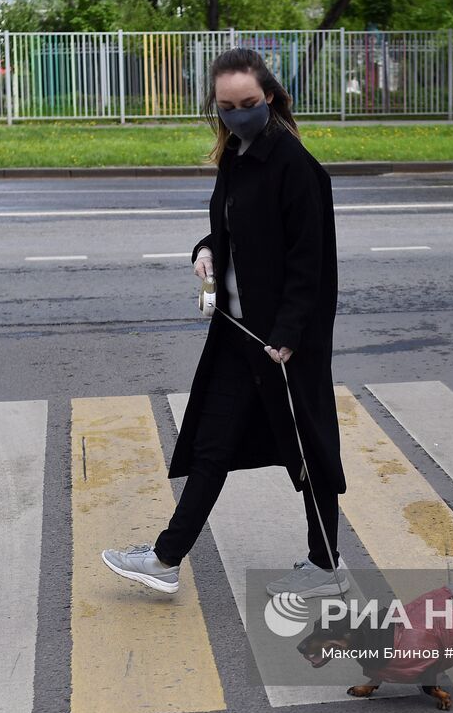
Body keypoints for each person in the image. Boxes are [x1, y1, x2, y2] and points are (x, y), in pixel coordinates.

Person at [102, 47, 348, 599]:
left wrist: (287, 337)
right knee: (213, 444)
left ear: (272, 98)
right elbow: (233, 231)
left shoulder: (294, 166)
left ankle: (328, 566)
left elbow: (311, 261)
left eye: (249, 104)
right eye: (227, 106)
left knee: (306, 450)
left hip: (280, 344)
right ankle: (166, 558)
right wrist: (206, 249)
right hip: (239, 335)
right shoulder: (238, 154)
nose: (239, 114)